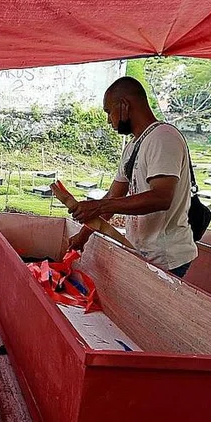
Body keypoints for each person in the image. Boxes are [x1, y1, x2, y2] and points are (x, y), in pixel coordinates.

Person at [68, 77, 198, 277]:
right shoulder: (133, 146)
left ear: (124, 105)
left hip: (166, 257)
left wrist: (100, 206)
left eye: (108, 111)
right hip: (142, 251)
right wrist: (83, 235)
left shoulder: (163, 138)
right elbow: (114, 194)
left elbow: (161, 198)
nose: (108, 120)